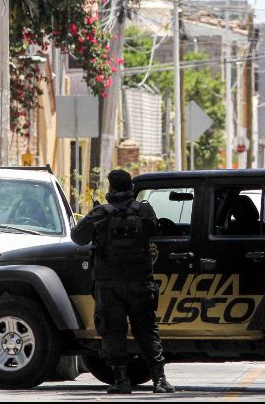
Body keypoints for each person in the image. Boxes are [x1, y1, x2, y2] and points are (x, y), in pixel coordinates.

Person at [71, 169, 174, 395]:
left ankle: (121, 380)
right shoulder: (144, 210)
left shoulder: (101, 212)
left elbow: (77, 237)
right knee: (147, 330)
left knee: (112, 331)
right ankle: (160, 380)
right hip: (140, 282)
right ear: (130, 188)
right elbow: (156, 230)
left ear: (111, 188)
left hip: (109, 284)